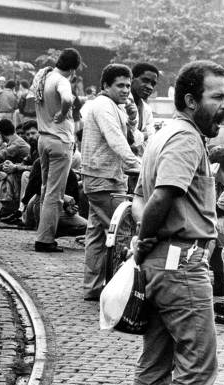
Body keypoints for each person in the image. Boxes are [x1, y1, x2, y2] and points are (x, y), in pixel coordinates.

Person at [126, 60, 224, 385]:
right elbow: (162, 196)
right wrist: (145, 236)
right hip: (182, 264)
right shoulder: (187, 139)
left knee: (155, 360)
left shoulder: (163, 134)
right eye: (217, 97)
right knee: (197, 361)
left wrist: (144, 239)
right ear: (190, 100)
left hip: (159, 261)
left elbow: (139, 198)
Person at [81, 63, 141, 301]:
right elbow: (116, 139)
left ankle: (93, 287)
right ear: (106, 85)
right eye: (120, 85)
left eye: (128, 85)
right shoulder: (104, 106)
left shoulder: (112, 106)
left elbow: (131, 138)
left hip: (101, 177)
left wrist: (132, 118)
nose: (126, 90)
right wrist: (138, 166)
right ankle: (119, 291)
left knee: (97, 233)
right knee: (122, 233)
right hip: (104, 178)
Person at [32, 47, 80, 252]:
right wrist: (63, 112)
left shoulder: (43, 76)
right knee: (55, 194)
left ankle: (42, 231)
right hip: (60, 141)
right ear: (74, 69)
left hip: (43, 138)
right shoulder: (62, 81)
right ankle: (45, 239)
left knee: (46, 189)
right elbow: (67, 99)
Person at [130, 62, 159, 153]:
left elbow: (151, 139)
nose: (150, 87)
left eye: (153, 84)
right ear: (132, 79)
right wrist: (144, 135)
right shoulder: (120, 104)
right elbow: (126, 138)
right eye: (145, 80)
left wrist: (139, 137)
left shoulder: (147, 109)